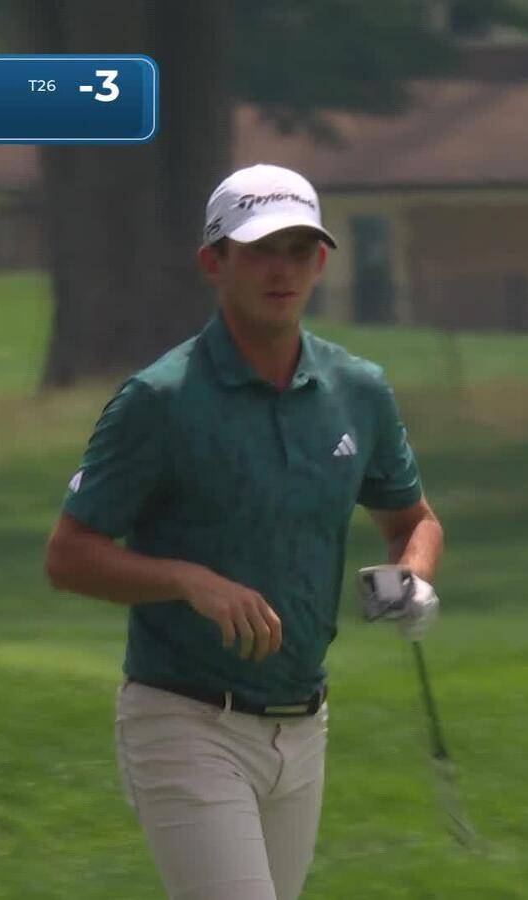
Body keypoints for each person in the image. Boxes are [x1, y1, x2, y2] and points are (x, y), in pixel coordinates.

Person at [46, 163, 445, 900]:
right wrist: (186, 580)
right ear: (214, 262)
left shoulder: (358, 390)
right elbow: (69, 556)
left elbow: (410, 520)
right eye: (260, 250)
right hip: (184, 719)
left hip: (303, 725)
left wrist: (412, 577)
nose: (281, 270)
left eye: (299, 250)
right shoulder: (158, 400)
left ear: (322, 261)